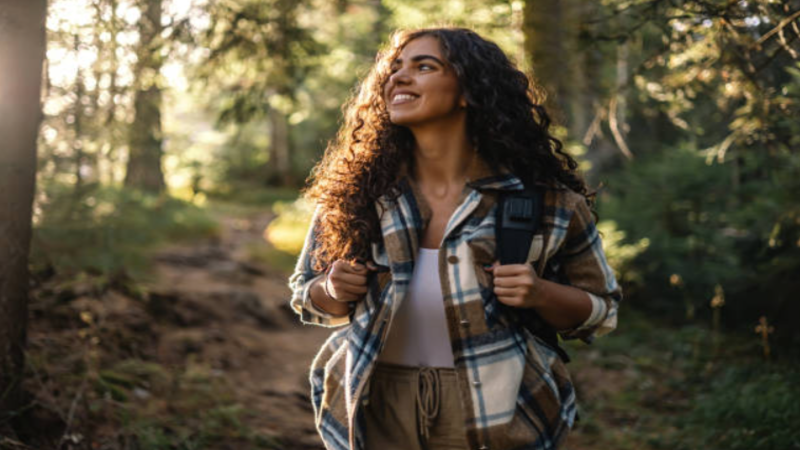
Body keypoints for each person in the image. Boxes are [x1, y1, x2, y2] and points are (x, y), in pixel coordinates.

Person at [289, 27, 621, 450]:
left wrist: (539, 293)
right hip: (374, 402)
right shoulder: (355, 196)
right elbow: (307, 296)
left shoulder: (549, 202)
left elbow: (602, 310)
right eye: (395, 68)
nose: (399, 77)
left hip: (497, 411)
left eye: (424, 66)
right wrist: (331, 288)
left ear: (469, 90)